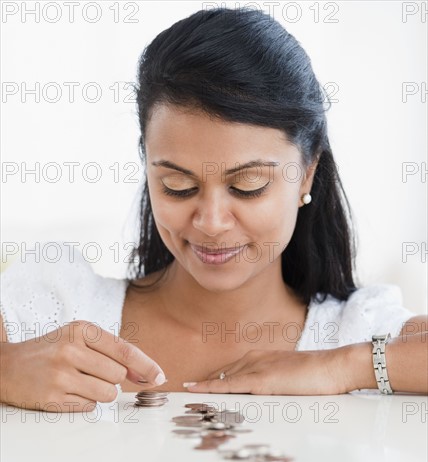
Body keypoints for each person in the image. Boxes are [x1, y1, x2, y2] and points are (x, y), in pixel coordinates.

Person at [1, 7, 427, 412]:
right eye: (178, 186)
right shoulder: (60, 307)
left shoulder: (357, 332)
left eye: (248, 186)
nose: (211, 222)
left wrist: (342, 367)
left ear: (308, 174)